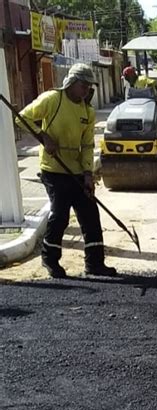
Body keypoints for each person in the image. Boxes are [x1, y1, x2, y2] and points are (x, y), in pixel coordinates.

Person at [17, 63, 117, 278]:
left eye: (90, 87)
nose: (86, 90)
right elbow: (22, 117)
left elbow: (88, 145)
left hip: (78, 172)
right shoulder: (52, 100)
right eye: (83, 85)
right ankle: (50, 260)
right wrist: (43, 136)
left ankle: (95, 264)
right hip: (53, 169)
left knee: (90, 214)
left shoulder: (87, 111)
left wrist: (88, 174)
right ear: (71, 83)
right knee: (60, 215)